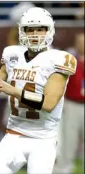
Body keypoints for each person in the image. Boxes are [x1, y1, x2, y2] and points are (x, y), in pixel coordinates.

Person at [0, 7, 77, 173]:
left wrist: (12, 90)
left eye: (40, 29)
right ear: (22, 31)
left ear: (49, 31)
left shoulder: (58, 59)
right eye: (30, 29)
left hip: (43, 139)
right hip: (14, 135)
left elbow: (48, 103)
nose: (35, 34)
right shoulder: (13, 55)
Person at [55, 32, 84, 174]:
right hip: (73, 103)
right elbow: (61, 82)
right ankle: (65, 167)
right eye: (80, 41)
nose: (82, 44)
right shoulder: (70, 61)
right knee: (69, 137)